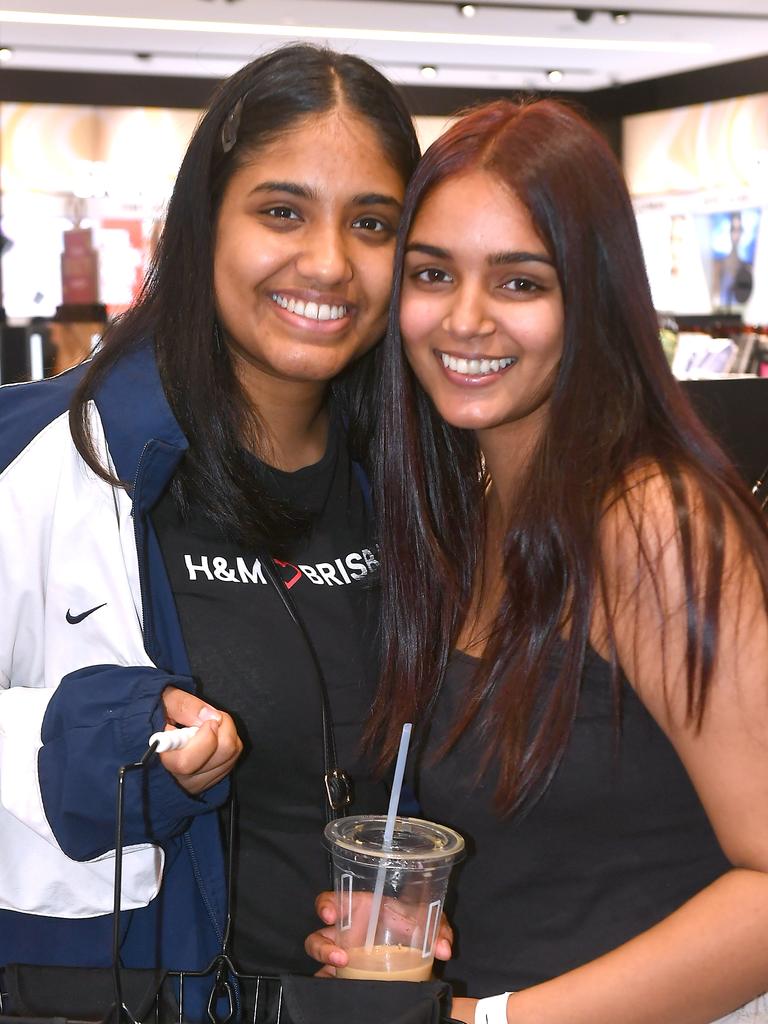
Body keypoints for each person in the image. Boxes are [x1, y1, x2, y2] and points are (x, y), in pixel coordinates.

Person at [309, 99, 768, 1024]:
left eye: (520, 283)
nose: (466, 321)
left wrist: (497, 1020)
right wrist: (404, 916)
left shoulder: (652, 526)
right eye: (433, 275)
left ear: (591, 300)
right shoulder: (465, 510)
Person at [0, 44, 423, 1020]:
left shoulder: (413, 483)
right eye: (282, 211)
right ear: (203, 224)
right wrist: (101, 743)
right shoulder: (49, 457)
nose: (327, 261)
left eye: (372, 223)